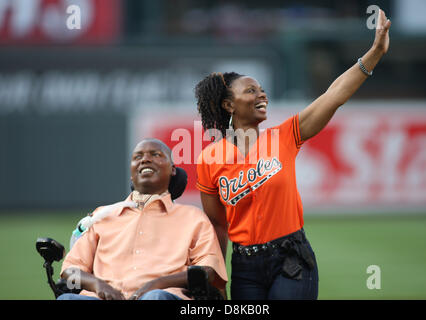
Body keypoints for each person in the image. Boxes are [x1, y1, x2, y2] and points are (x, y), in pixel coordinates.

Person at [195, 10, 391, 299]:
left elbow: (333, 95)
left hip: (291, 259)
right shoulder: (210, 159)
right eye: (251, 91)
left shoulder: (285, 135)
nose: (262, 95)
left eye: (262, 90)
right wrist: (217, 280)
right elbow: (217, 225)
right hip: (245, 267)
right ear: (228, 106)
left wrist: (374, 54)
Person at [58, 138, 227, 300]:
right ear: (131, 173)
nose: (145, 159)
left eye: (156, 155)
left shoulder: (193, 218)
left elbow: (209, 270)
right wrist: (99, 286)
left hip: (163, 296)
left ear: (173, 169)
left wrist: (158, 284)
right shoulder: (102, 216)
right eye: (138, 157)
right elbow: (69, 271)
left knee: (154, 297)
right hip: (102, 297)